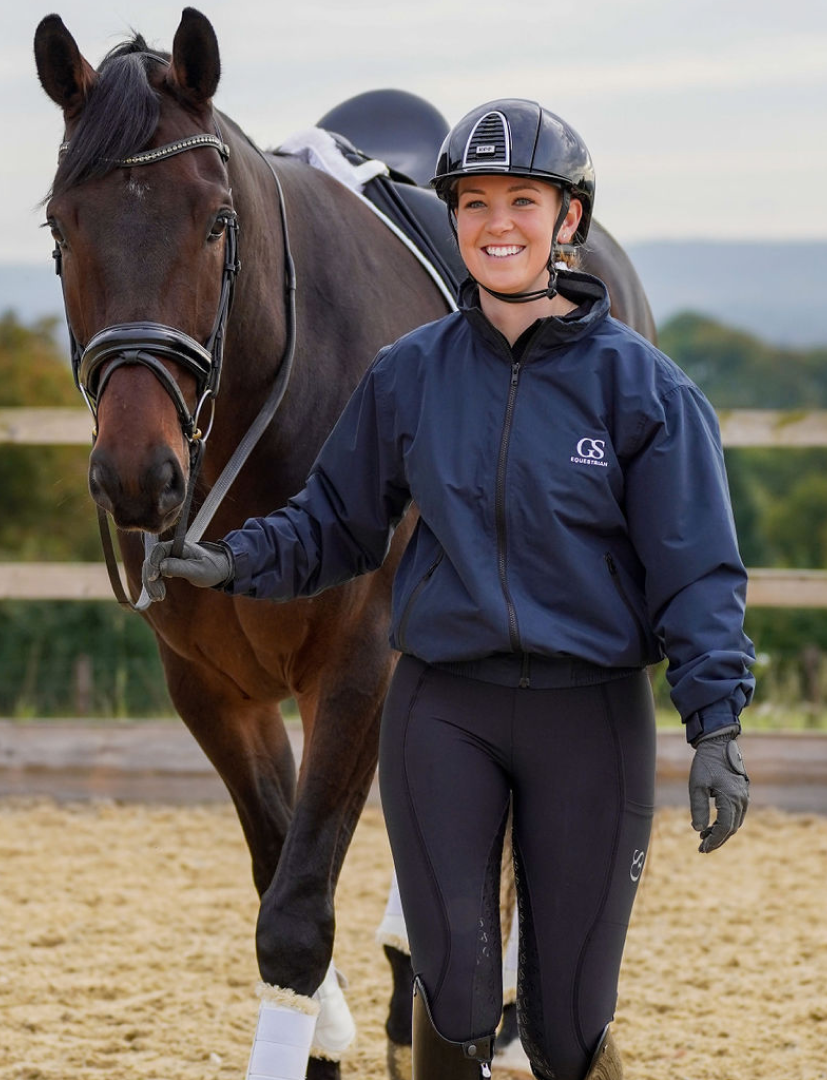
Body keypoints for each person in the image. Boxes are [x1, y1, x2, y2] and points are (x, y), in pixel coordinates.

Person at [146, 98, 754, 1080]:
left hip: (588, 718)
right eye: (474, 204)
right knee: (454, 995)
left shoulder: (648, 394)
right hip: (446, 712)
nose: (498, 224)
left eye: (524, 200)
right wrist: (234, 561)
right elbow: (334, 524)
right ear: (454, 219)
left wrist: (716, 725)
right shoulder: (406, 375)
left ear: (570, 222)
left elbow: (699, 571)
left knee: (565, 1025)